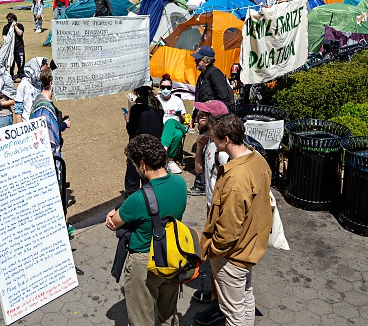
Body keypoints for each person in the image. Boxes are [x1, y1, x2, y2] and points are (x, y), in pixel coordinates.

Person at [105, 134, 187, 326]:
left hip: (144, 260)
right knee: (167, 314)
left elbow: (114, 222)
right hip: (172, 254)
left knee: (142, 318)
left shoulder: (138, 199)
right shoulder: (180, 183)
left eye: (134, 164)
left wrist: (112, 214)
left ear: (142, 164)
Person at [201, 113, 272, 326]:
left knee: (233, 312)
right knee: (245, 297)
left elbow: (228, 229)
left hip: (232, 255)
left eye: (214, 137)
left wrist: (214, 250)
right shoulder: (257, 158)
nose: (212, 140)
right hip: (250, 245)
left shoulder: (235, 180)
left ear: (227, 140)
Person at [189, 100, 230, 324]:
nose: (197, 118)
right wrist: (200, 148)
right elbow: (199, 170)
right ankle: (215, 298)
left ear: (213, 121)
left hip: (219, 210)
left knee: (218, 258)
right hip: (209, 206)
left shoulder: (222, 151)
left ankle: (220, 307)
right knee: (213, 258)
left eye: (202, 116)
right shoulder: (208, 143)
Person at [189, 46, 235, 196]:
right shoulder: (202, 76)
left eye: (199, 59)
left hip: (214, 120)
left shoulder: (214, 74)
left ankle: (202, 185)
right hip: (205, 119)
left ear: (207, 61)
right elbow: (200, 98)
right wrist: (195, 115)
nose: (196, 61)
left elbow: (224, 99)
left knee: (209, 150)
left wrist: (216, 120)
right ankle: (201, 183)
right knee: (203, 147)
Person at [124, 85, 164, 196]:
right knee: (150, 185)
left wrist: (127, 120)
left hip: (138, 150)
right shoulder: (158, 106)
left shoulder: (137, 109)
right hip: (154, 149)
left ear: (136, 92)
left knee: (132, 184)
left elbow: (132, 131)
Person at [29, 70, 70, 158]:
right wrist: (64, 124)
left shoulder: (39, 98)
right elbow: (50, 130)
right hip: (50, 155)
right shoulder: (45, 107)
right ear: (51, 83)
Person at [14, 56, 49, 123]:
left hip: (42, 122)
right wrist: (20, 124)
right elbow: (18, 106)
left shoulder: (42, 83)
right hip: (28, 122)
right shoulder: (23, 84)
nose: (43, 74)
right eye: (41, 71)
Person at [2, 13, 26, 81]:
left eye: (11, 20)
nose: (9, 21)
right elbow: (4, 36)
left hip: (19, 47)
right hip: (10, 49)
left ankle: (21, 75)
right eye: (8, 20)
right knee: (10, 63)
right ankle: (10, 76)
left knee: (21, 62)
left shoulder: (20, 25)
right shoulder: (6, 27)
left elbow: (20, 33)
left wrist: (15, 26)